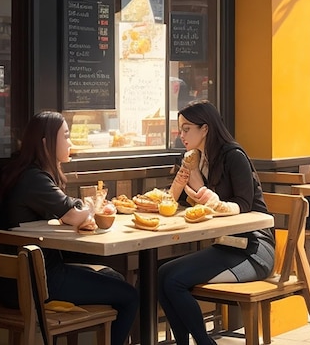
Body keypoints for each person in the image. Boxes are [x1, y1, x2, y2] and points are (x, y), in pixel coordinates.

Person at [0, 111, 139, 345]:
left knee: (112, 275)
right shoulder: (34, 178)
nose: (71, 142)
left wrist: (78, 212)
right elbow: (75, 215)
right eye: (66, 136)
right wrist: (91, 207)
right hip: (38, 283)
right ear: (46, 143)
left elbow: (66, 213)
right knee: (129, 295)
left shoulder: (19, 172)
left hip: (14, 283)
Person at [158, 100, 275, 345]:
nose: (181, 135)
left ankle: (204, 343)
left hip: (254, 248)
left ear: (206, 129)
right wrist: (185, 182)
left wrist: (207, 196)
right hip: (226, 245)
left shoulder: (234, 156)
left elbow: (243, 205)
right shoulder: (197, 160)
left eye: (186, 128)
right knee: (161, 274)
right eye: (180, 129)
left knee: (174, 281)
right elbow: (194, 206)